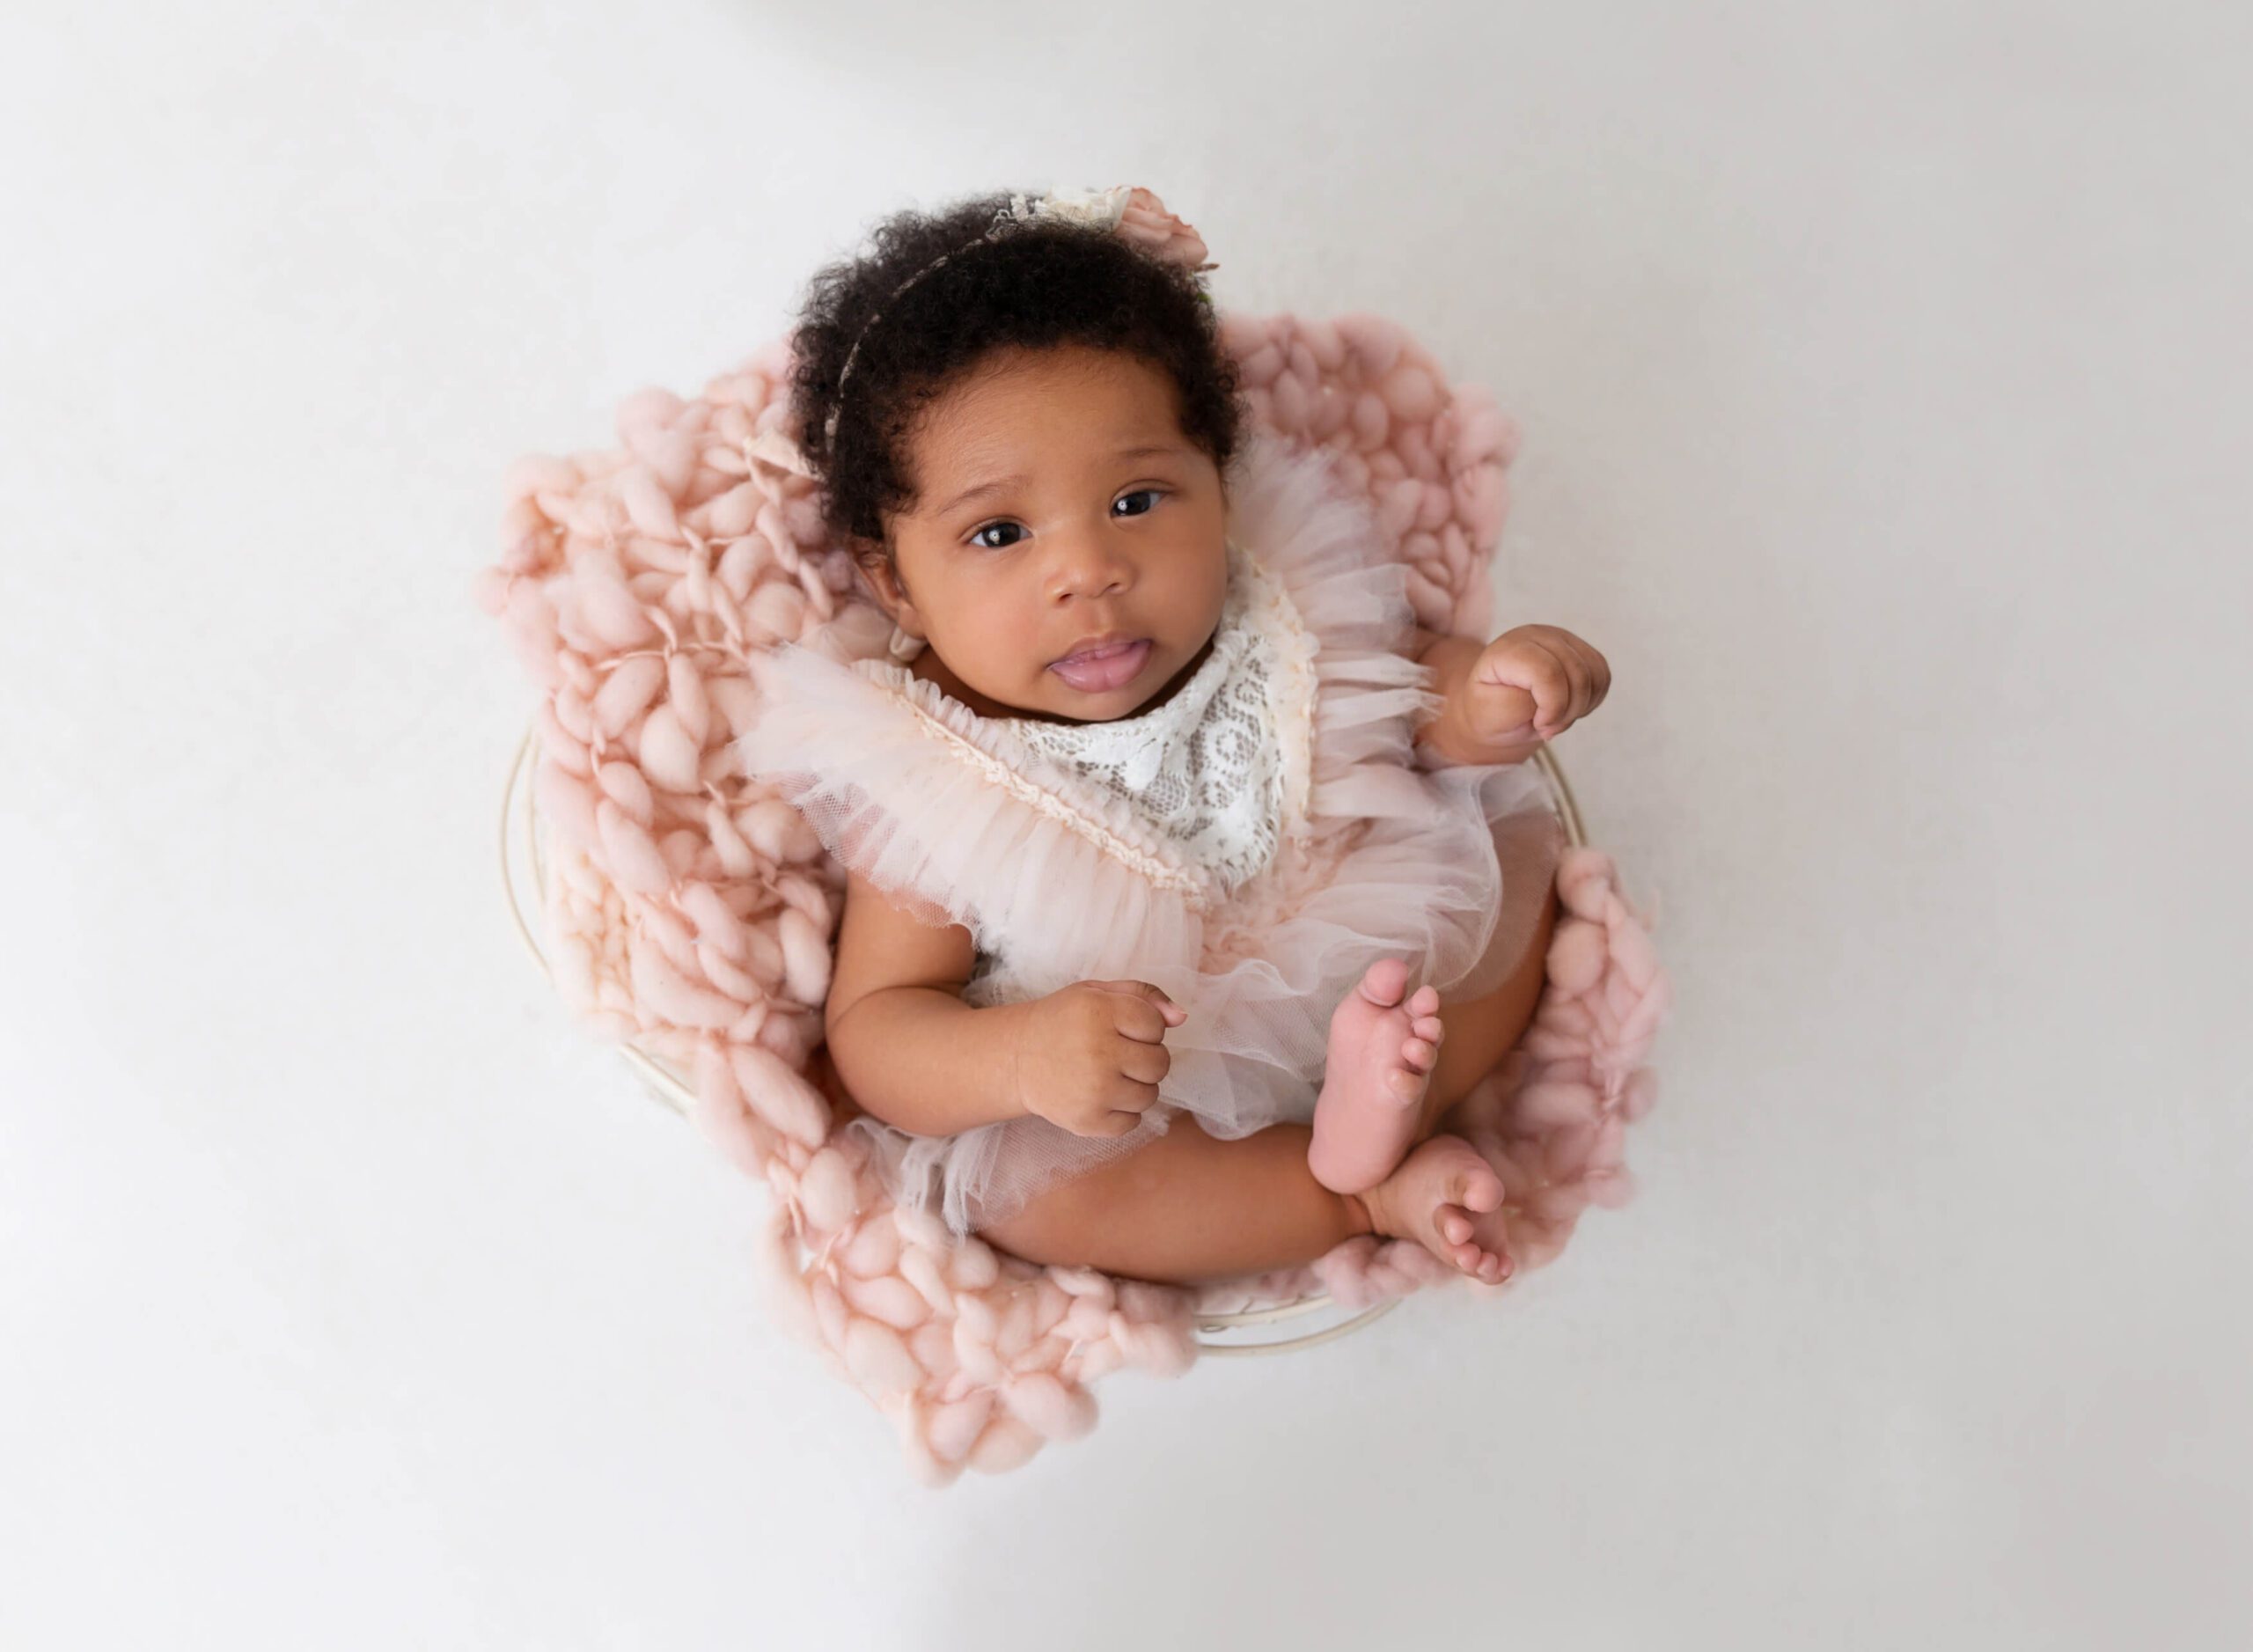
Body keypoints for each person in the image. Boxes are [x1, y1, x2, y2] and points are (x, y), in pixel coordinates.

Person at [736, 186, 1610, 1287]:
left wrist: (1490, 697)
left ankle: (1396, 1106)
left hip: (1366, 940)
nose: (1088, 570)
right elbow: (874, 1030)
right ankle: (1357, 1186)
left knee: (1498, 904)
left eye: (1139, 498)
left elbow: (1398, 690)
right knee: (1060, 1199)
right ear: (894, 581)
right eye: (999, 532)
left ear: (1218, 476)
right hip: (1148, 1074)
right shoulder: (929, 770)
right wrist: (1020, 1056)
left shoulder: (1272, 606)